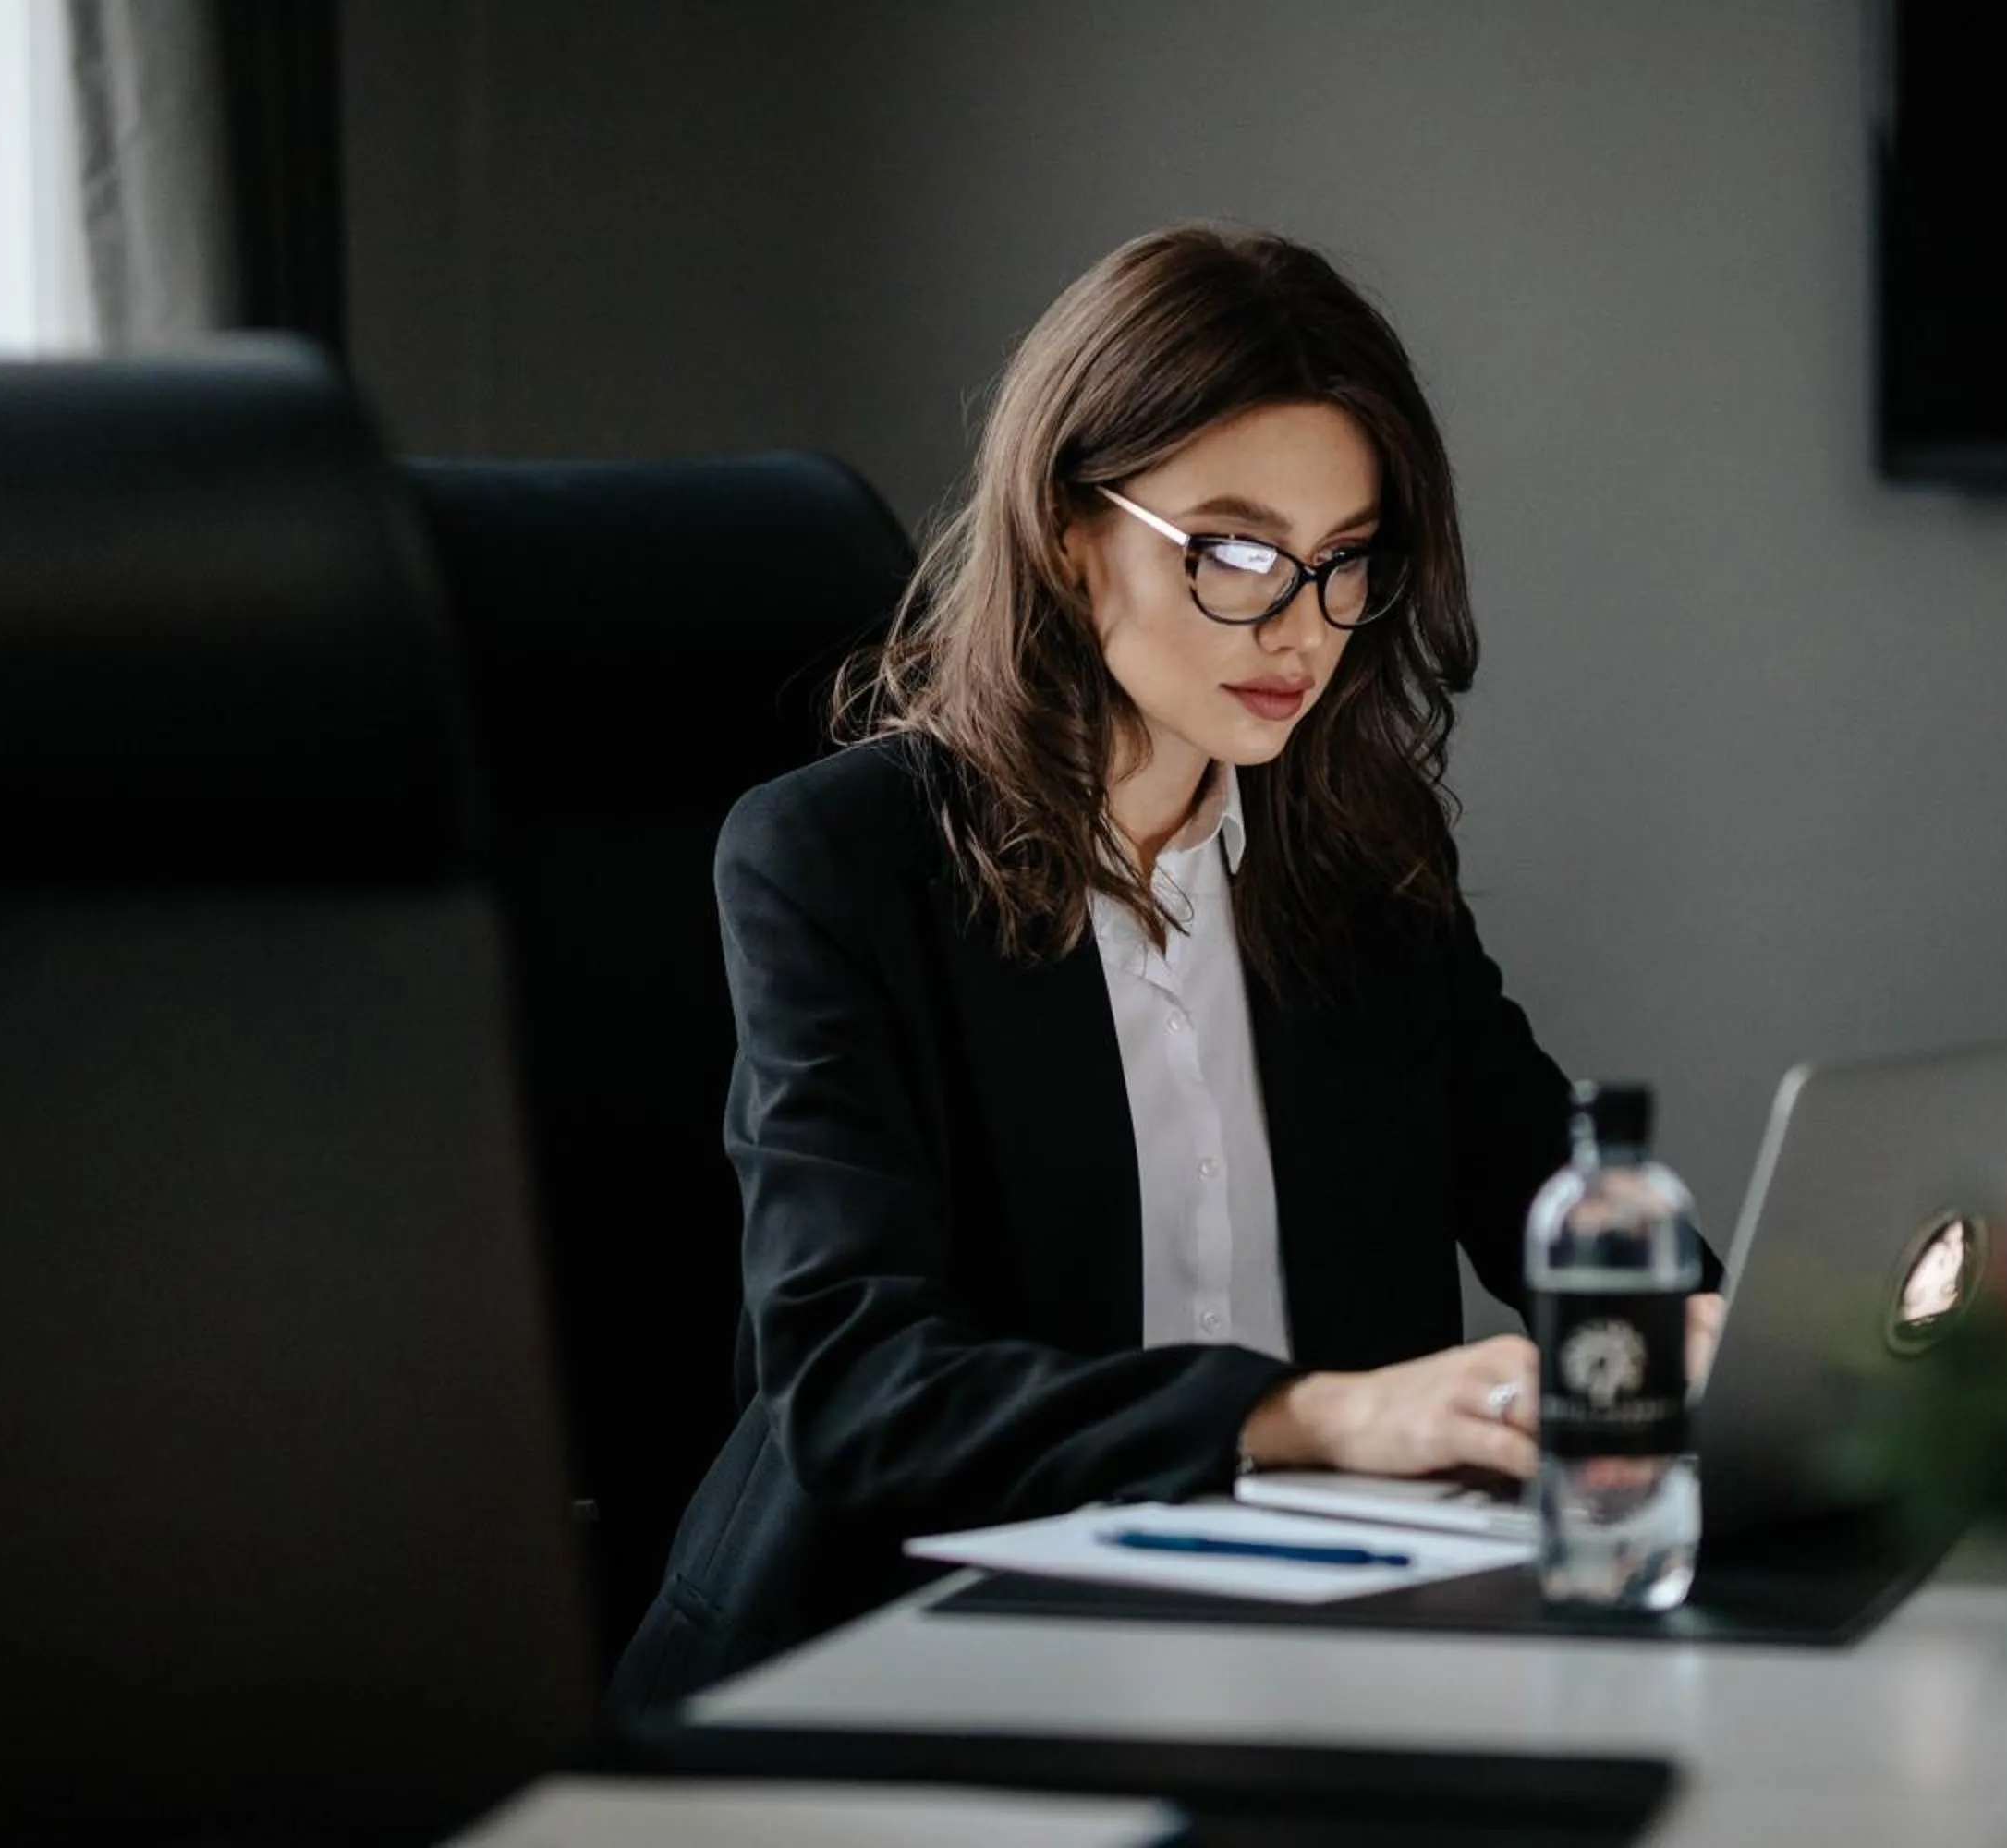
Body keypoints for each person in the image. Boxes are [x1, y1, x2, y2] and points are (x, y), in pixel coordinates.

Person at [610, 223, 1722, 1718]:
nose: (1302, 628)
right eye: (1238, 552)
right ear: (1071, 532)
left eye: (1343, 564)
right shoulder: (835, 862)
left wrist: (1702, 1334)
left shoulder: (1362, 868)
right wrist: (1309, 1415)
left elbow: (1548, 1190)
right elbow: (853, 1387)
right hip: (895, 1664)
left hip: (1283, 1662)